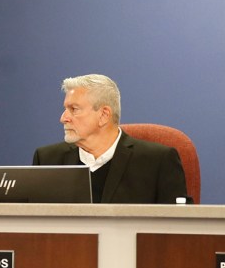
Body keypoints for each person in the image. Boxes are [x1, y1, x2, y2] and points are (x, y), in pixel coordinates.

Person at [32, 74, 187, 203]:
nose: (63, 118)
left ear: (104, 115)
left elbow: (179, 229)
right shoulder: (47, 160)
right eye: (65, 109)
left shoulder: (157, 162)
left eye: (74, 109)